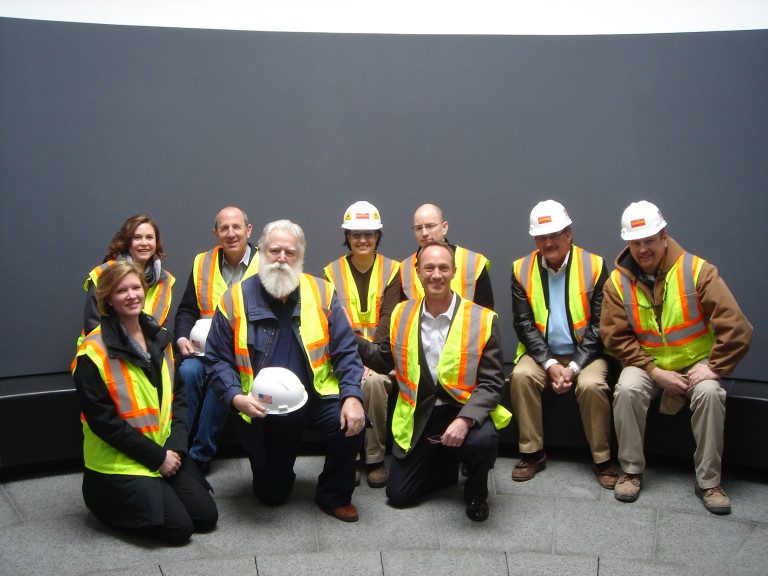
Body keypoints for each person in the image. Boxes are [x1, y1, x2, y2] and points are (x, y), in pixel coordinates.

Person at [204, 219, 366, 522]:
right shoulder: (233, 298)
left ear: (300, 256)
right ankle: (276, 472)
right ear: (262, 252)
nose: (281, 259)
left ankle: (333, 493)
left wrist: (353, 396)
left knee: (350, 420)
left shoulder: (322, 292)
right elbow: (216, 360)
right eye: (274, 251)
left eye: (289, 253)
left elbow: (346, 351)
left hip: (317, 396)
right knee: (271, 496)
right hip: (264, 407)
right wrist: (235, 398)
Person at [601, 200, 753, 514]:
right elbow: (615, 337)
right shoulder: (617, 283)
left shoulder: (698, 271)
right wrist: (654, 372)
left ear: (664, 236)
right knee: (627, 389)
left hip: (696, 364)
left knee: (711, 394)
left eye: (650, 241)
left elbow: (738, 327)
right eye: (636, 242)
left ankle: (709, 482)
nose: (643, 249)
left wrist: (715, 367)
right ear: (628, 243)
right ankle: (630, 470)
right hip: (648, 365)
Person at [357, 240, 511, 522]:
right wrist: (347, 336)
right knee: (398, 496)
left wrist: (465, 421)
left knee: (484, 440)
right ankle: (446, 464)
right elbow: (381, 361)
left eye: (443, 268)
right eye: (429, 268)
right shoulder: (402, 314)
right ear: (417, 272)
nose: (436, 275)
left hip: (462, 409)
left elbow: (491, 384)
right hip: (419, 413)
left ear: (454, 271)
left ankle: (476, 491)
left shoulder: (483, 319)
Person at [72, 261, 218, 545]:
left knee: (206, 517)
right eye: (121, 290)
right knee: (180, 530)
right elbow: (104, 423)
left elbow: (179, 399)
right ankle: (101, 499)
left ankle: (158, 489)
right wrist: (157, 459)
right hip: (120, 462)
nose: (131, 295)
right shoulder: (91, 352)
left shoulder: (158, 337)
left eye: (136, 287)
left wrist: (174, 448)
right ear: (109, 299)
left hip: (164, 449)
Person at [509, 200, 616, 488]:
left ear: (568, 234)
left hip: (588, 353)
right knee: (520, 376)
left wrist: (576, 364)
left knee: (592, 385)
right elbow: (523, 324)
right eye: (542, 237)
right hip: (542, 353)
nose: (548, 242)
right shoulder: (521, 269)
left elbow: (600, 325)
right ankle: (532, 453)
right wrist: (551, 363)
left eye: (554, 235)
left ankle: (603, 459)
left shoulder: (594, 265)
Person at [173, 207, 259, 474]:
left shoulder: (266, 262)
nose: (231, 234)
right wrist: (181, 337)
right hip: (203, 352)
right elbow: (187, 309)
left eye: (236, 227)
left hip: (245, 356)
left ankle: (199, 456)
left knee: (220, 380)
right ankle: (177, 449)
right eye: (224, 228)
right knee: (187, 372)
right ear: (216, 233)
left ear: (249, 230)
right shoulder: (202, 262)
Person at [323, 201, 401, 488]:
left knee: (375, 383)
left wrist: (370, 361)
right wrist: (356, 363)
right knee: (350, 383)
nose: (363, 240)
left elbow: (388, 318)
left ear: (378, 235)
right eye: (356, 234)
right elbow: (334, 324)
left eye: (369, 233)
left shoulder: (394, 270)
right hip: (344, 355)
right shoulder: (331, 272)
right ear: (347, 237)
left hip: (382, 356)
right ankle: (351, 457)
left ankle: (375, 458)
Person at [79, 214, 175, 345]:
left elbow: (159, 328)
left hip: (151, 357)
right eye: (137, 238)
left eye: (149, 237)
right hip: (107, 356)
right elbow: (93, 325)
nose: (144, 243)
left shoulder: (165, 280)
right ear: (126, 241)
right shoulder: (103, 274)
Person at [401, 203, 494, 310]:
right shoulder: (404, 269)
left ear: (444, 227)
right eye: (418, 228)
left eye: (430, 226)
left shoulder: (473, 263)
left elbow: (485, 316)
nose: (424, 233)